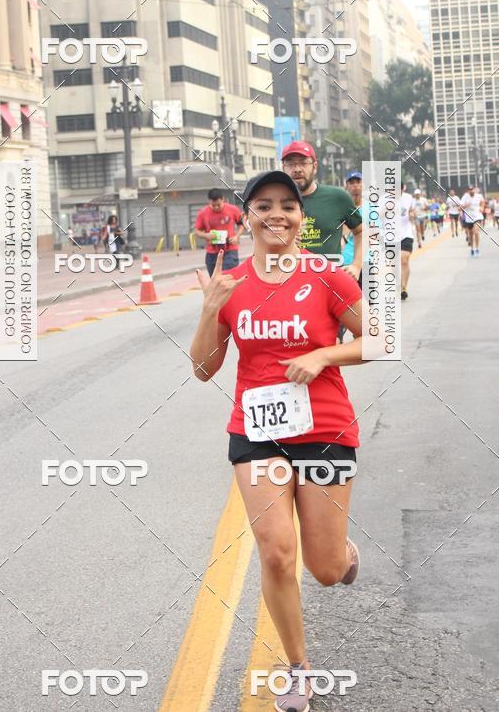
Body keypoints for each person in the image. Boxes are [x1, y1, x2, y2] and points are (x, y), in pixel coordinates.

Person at [190, 170, 365, 712]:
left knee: (325, 570)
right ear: (247, 218)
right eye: (263, 205)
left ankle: (342, 553)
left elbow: (383, 339)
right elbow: (203, 368)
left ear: (300, 218)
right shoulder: (230, 284)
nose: (276, 215)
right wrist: (209, 309)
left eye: (287, 205)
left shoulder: (327, 276)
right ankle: (298, 669)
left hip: (325, 430)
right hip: (257, 432)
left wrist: (323, 355)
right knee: (275, 551)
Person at [281, 141, 362, 280]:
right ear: (283, 168)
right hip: (289, 282)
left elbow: (361, 231)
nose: (297, 169)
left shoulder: (338, 197)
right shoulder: (274, 203)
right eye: (290, 163)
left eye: (303, 163)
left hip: (330, 282)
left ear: (315, 167)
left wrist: (357, 265)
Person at [194, 188, 245, 276]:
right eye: (213, 205)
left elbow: (242, 224)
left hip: (230, 249)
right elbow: (197, 231)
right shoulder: (203, 213)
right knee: (215, 279)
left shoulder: (233, 209)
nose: (216, 207)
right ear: (209, 202)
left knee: (227, 276)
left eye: (218, 204)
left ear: (223, 199)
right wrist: (206, 235)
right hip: (212, 252)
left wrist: (237, 236)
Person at [400, 184, 416, 301]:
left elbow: (412, 211)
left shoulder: (408, 198)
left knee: (404, 260)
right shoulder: (384, 199)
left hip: (406, 233)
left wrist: (412, 215)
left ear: (403, 188)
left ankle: (403, 288)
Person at [460, 185, 485, 256]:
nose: (471, 191)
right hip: (468, 218)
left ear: (474, 189)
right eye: (470, 190)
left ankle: (477, 249)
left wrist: (482, 207)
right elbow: (460, 207)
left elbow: (483, 202)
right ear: (468, 191)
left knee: (476, 232)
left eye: (472, 189)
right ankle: (472, 249)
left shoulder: (479, 196)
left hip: (477, 217)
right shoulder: (465, 197)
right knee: (471, 234)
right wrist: (466, 205)